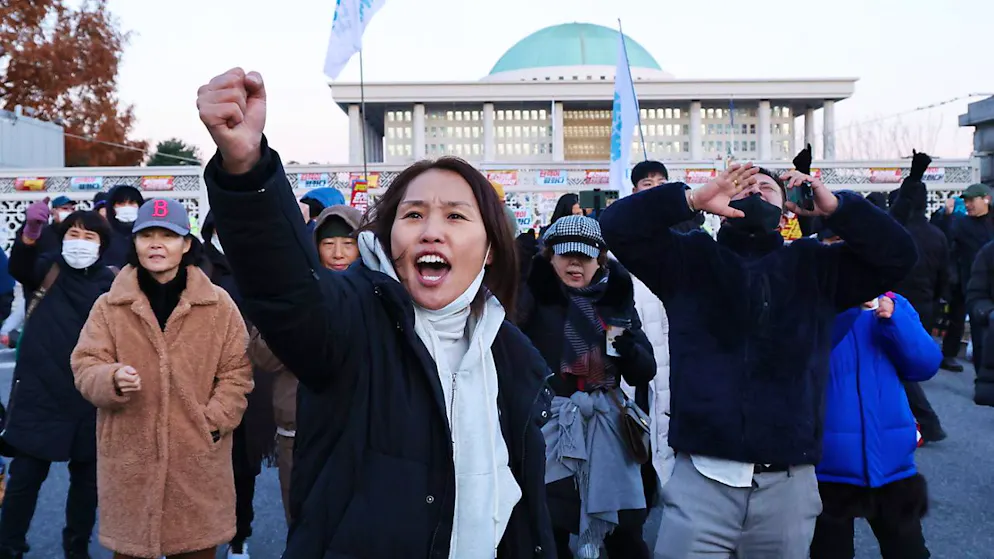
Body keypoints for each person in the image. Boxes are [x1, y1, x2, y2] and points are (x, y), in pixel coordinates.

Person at [197, 67, 555, 558]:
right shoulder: (353, 321)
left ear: (491, 247)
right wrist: (248, 170)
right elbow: (287, 290)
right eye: (413, 215)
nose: (431, 231)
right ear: (389, 238)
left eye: (455, 215)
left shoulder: (511, 354)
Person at [599, 162, 917, 558]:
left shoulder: (815, 265)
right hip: (702, 476)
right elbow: (615, 226)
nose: (754, 191)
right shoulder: (689, 260)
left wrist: (839, 209)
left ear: (788, 206)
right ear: (723, 198)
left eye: (766, 186)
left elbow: (899, 256)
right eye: (743, 184)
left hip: (788, 482)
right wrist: (690, 200)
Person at [71, 199, 254, 559]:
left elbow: (237, 372)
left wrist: (213, 422)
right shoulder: (110, 306)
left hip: (197, 461)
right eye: (147, 235)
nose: (156, 244)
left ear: (186, 244)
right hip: (129, 461)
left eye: (168, 235)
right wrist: (110, 378)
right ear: (135, 242)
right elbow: (85, 364)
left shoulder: (218, 304)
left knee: (196, 548)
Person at [517, 215, 656, 558]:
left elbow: (643, 371)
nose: (576, 263)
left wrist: (624, 345)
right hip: (549, 430)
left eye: (586, 255)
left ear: (601, 259)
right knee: (548, 530)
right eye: (566, 255)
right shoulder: (532, 298)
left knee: (624, 532)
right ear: (549, 257)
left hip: (608, 429)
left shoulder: (616, 302)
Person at [0, 211, 116, 559]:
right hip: (39, 392)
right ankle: (9, 546)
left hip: (89, 395)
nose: (79, 243)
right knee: (24, 481)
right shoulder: (47, 269)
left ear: (102, 246)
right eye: (73, 234)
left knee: (86, 484)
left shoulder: (110, 283)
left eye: (89, 237)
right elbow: (20, 266)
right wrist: (30, 233)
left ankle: (76, 546)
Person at [246, 202, 363, 524]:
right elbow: (263, 358)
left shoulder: (380, 291)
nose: (338, 253)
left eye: (348, 243)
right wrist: (293, 315)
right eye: (328, 243)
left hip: (360, 430)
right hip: (296, 430)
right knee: (303, 520)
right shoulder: (293, 288)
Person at [809, 293, 938, 559]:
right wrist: (846, 310)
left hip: (893, 466)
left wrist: (896, 320)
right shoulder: (810, 296)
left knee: (909, 551)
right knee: (830, 552)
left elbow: (925, 364)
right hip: (826, 467)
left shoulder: (895, 302)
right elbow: (800, 357)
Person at [200, 212, 277, 559]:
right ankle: (199, 536)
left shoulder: (258, 266)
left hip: (253, 378)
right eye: (220, 229)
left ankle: (238, 535)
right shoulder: (197, 267)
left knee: (244, 466)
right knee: (201, 461)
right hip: (204, 379)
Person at [886, 151, 949, 443]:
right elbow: (943, 276)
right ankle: (921, 421)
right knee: (909, 361)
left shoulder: (895, 230)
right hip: (924, 304)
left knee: (897, 364)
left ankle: (925, 421)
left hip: (893, 303)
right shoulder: (937, 235)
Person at [939, 183, 994, 372]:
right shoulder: (961, 224)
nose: (968, 205)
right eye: (966, 201)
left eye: (972, 200)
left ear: (986, 199)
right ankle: (980, 375)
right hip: (969, 283)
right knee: (976, 332)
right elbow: (947, 244)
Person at [631, 160, 704, 235]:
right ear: (635, 191)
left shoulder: (684, 221)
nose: (656, 188)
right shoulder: (627, 223)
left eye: (662, 183)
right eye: (648, 184)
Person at [102, 185, 146, 268]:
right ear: (111, 208)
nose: (127, 207)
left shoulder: (146, 234)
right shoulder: (104, 236)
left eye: (132, 203)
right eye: (121, 203)